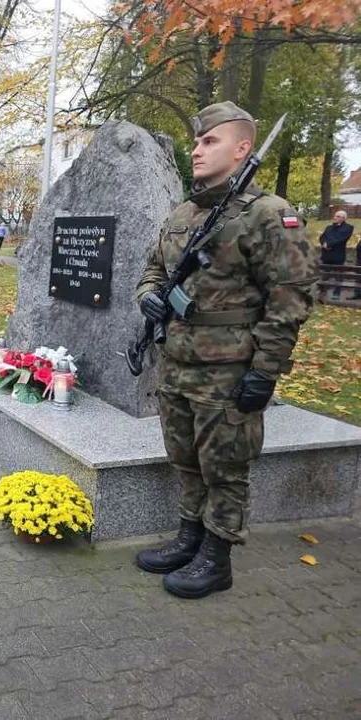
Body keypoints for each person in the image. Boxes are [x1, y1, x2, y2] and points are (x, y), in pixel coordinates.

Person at [134, 101, 317, 599]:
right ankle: (189, 538)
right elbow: (153, 270)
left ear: (242, 149)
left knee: (225, 468)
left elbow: (291, 299)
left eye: (209, 141)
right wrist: (149, 298)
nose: (196, 150)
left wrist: (266, 372)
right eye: (195, 141)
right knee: (185, 459)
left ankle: (217, 558)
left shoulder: (269, 215)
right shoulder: (184, 213)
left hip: (229, 370)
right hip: (176, 366)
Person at [319, 210, 353, 299]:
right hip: (326, 254)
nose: (335, 218)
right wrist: (324, 243)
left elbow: (341, 239)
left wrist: (329, 244)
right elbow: (322, 237)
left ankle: (336, 293)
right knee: (325, 275)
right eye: (335, 216)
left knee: (338, 276)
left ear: (343, 218)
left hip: (338, 255)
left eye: (338, 216)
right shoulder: (329, 227)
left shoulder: (348, 228)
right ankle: (322, 292)